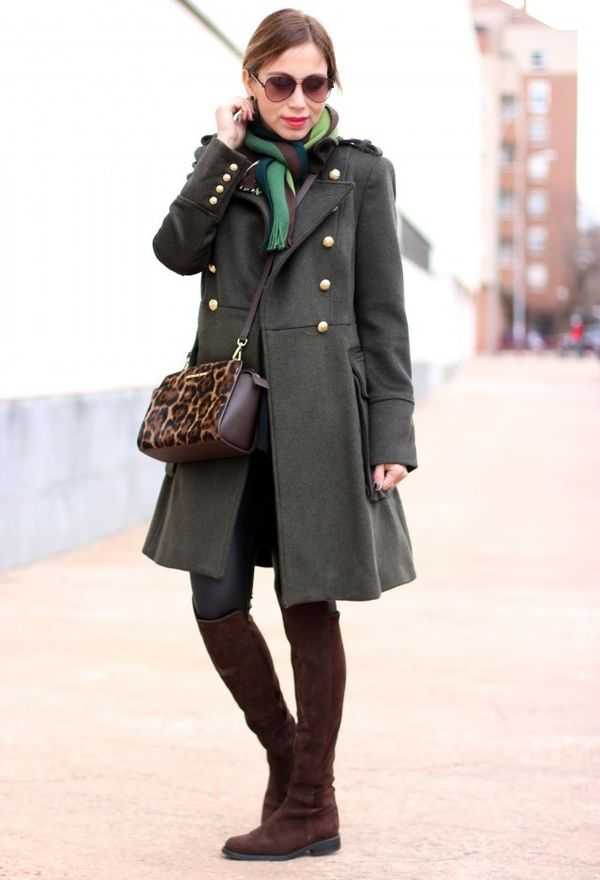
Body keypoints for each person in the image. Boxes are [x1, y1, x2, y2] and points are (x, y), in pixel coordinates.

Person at [142, 7, 418, 861]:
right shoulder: (222, 163)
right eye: (282, 83)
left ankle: (308, 806)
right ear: (252, 82)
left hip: (322, 412)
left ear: (331, 85)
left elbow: (383, 312)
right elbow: (174, 250)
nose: (299, 101)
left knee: (309, 602)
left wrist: (393, 431)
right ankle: (292, 763)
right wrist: (222, 155)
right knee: (215, 599)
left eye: (315, 84)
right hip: (225, 412)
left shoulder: (361, 174)